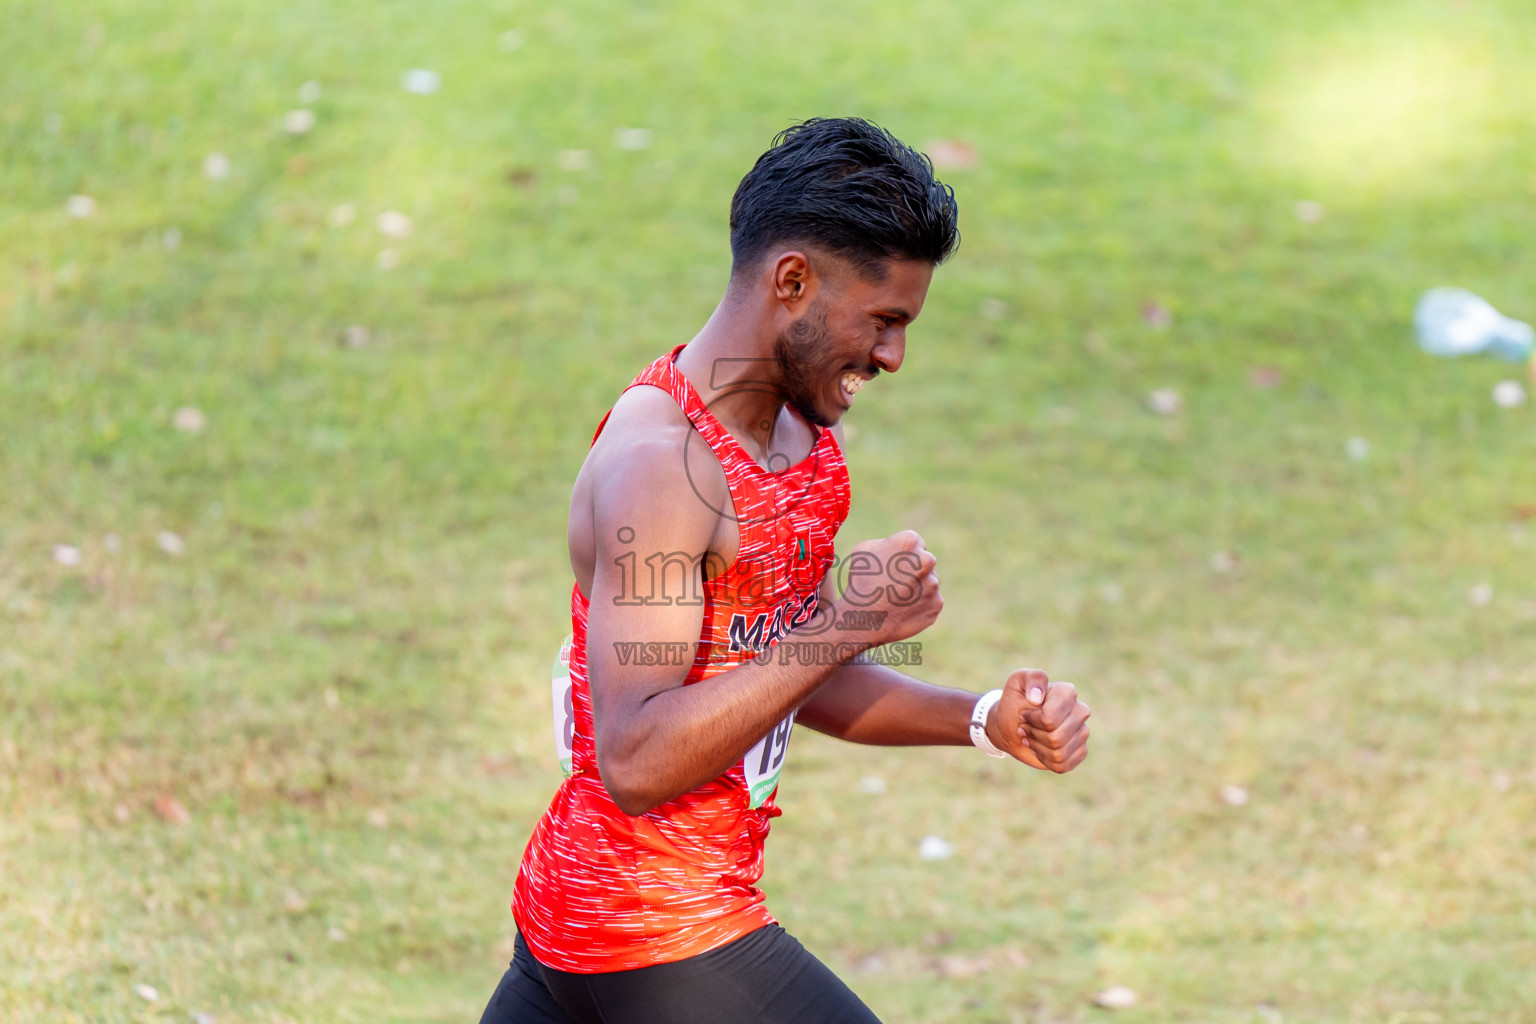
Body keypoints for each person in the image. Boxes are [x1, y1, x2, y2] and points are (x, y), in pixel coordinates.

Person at [479, 117, 1092, 1024]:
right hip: (648, 926)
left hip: (603, 925)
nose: (892, 357)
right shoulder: (665, 467)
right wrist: (847, 620)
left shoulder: (804, 446)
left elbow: (782, 676)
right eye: (884, 321)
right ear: (793, 281)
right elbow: (637, 758)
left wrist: (979, 720)